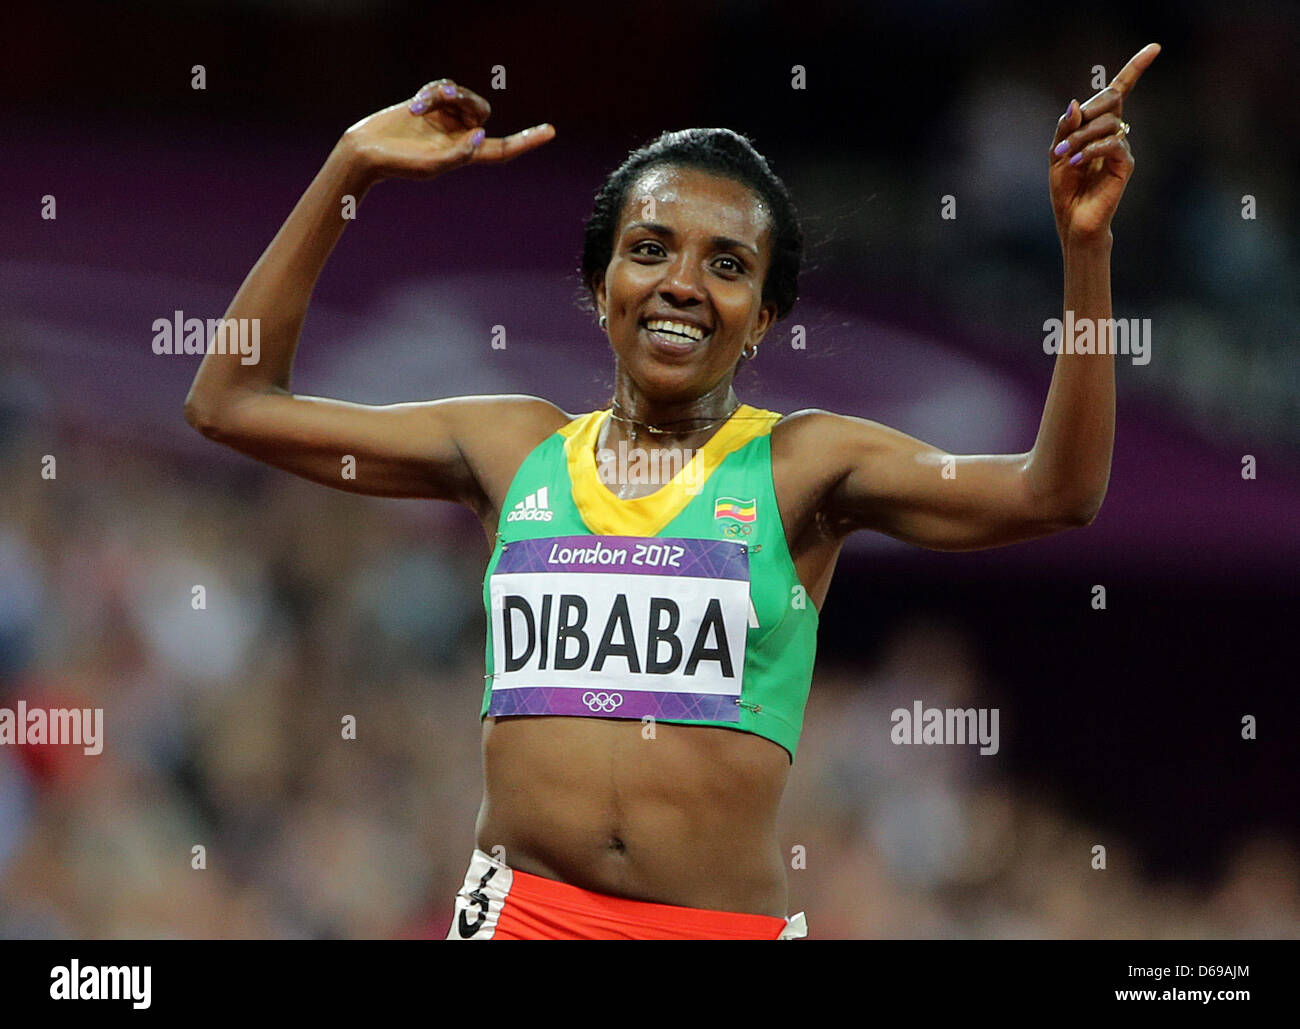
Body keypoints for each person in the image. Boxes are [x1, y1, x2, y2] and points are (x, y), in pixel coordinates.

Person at [184, 43, 1160, 940]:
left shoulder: (804, 468)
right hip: (521, 916)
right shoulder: (507, 445)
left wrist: (1084, 254)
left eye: (727, 265)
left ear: (766, 318)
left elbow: (1055, 494)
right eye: (649, 248)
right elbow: (231, 401)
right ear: (600, 280)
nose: (683, 282)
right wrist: (350, 168)